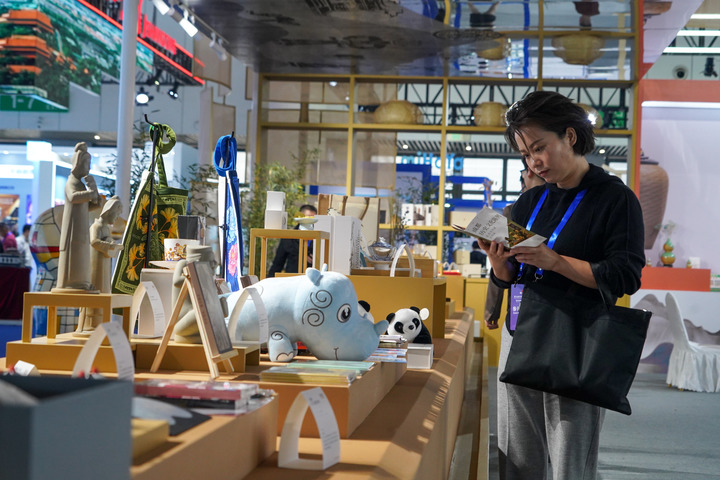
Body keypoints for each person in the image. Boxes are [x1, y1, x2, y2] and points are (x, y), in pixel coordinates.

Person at [477, 91, 644, 479]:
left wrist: (556, 261)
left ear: (569, 136)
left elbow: (625, 276)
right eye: (525, 154)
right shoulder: (530, 202)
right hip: (520, 334)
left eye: (539, 148)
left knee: (571, 462)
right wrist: (499, 264)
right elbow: (513, 275)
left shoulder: (615, 199)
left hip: (576, 338)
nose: (533, 161)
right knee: (516, 458)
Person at [484, 164, 545, 330]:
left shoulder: (513, 211)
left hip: (524, 297)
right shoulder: (565, 207)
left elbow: (502, 258)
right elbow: (500, 261)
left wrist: (491, 311)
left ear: (529, 173)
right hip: (540, 303)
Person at [268, 204, 318, 277]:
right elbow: (277, 263)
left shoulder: (319, 238)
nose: (310, 221)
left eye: (312, 218)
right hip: (292, 278)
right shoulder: (289, 237)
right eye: (307, 218)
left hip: (313, 279)